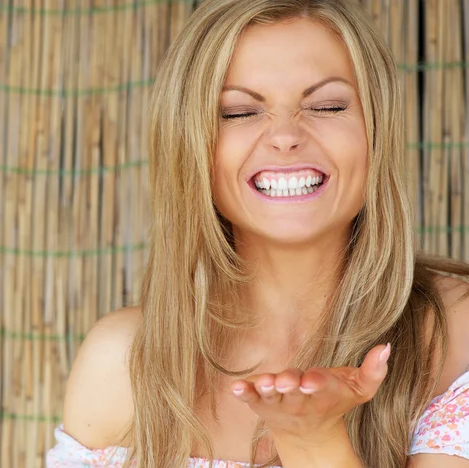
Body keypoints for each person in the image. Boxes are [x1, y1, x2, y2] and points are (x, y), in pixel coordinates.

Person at [47, 0, 469, 466]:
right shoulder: (123, 362)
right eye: (239, 112)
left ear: (377, 131)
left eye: (326, 105)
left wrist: (313, 440)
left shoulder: (459, 336)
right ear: (190, 147)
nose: (285, 135)